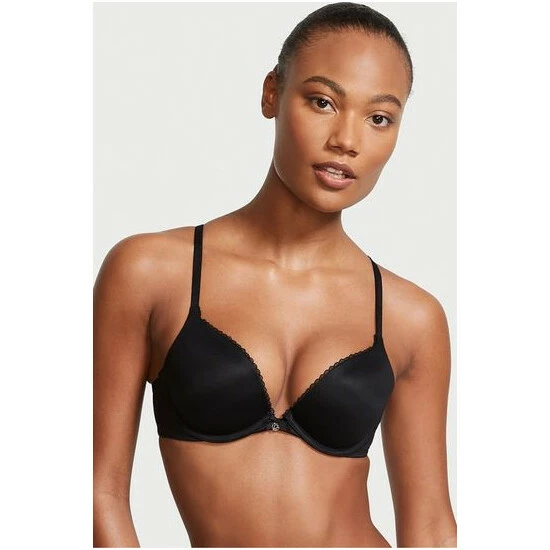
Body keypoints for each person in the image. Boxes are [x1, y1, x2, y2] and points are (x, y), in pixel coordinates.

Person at [93, 2, 457, 547]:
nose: (347, 140)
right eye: (323, 102)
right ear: (272, 94)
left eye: (379, 118)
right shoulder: (150, 273)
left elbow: (430, 526)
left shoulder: (411, 317)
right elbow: (98, 489)